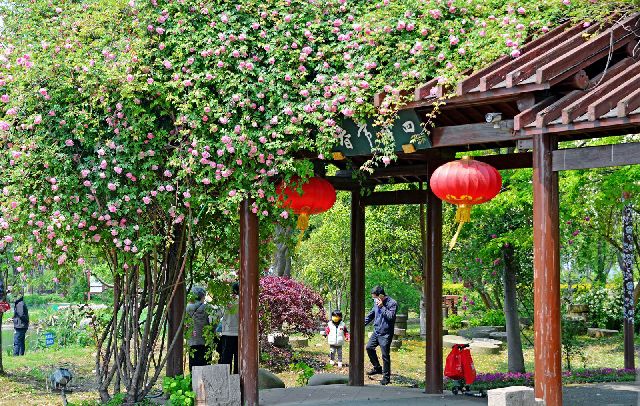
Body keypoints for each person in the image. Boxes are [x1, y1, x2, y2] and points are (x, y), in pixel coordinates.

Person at [364, 286, 397, 385]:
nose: (374, 299)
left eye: (375, 297)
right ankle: (377, 368)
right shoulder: (376, 302)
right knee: (369, 348)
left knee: (385, 355)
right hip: (376, 331)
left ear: (381, 295)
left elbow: (391, 317)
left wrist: (382, 306)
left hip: (386, 333)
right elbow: (371, 314)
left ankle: (386, 378)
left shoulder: (392, 303)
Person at [186, 286, 211, 372]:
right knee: (205, 365)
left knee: (194, 365)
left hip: (193, 340)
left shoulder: (188, 308)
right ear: (202, 296)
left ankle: (193, 379)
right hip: (205, 340)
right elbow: (213, 322)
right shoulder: (207, 308)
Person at [218, 282, 239, 374]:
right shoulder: (244, 301)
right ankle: (238, 379)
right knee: (239, 359)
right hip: (240, 334)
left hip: (227, 333)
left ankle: (225, 378)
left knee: (226, 359)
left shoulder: (226, 301)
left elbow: (217, 315)